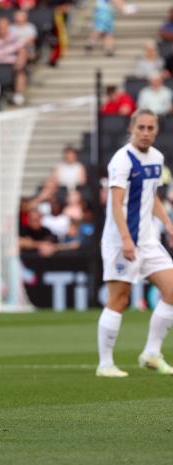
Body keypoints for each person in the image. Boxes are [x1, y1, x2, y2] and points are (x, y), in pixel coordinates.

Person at [97, 109, 173, 378]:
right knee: (119, 299)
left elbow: (151, 196)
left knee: (172, 291)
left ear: (156, 130)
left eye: (150, 128)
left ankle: (151, 354)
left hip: (148, 241)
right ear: (131, 127)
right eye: (140, 127)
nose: (145, 132)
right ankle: (105, 364)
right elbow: (116, 203)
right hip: (121, 241)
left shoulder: (157, 158)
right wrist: (127, 240)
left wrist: (168, 224)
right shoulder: (122, 159)